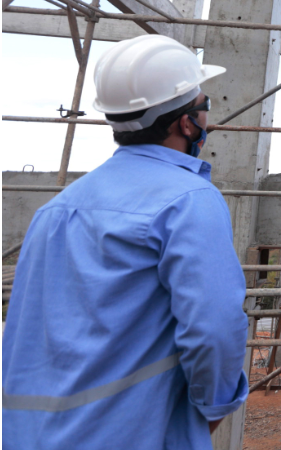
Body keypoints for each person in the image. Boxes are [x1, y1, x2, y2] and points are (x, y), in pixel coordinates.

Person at [2, 34, 249, 450]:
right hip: (132, 432)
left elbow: (28, 333)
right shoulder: (188, 201)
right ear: (187, 123)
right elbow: (215, 329)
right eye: (203, 107)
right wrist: (214, 408)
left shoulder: (58, 208)